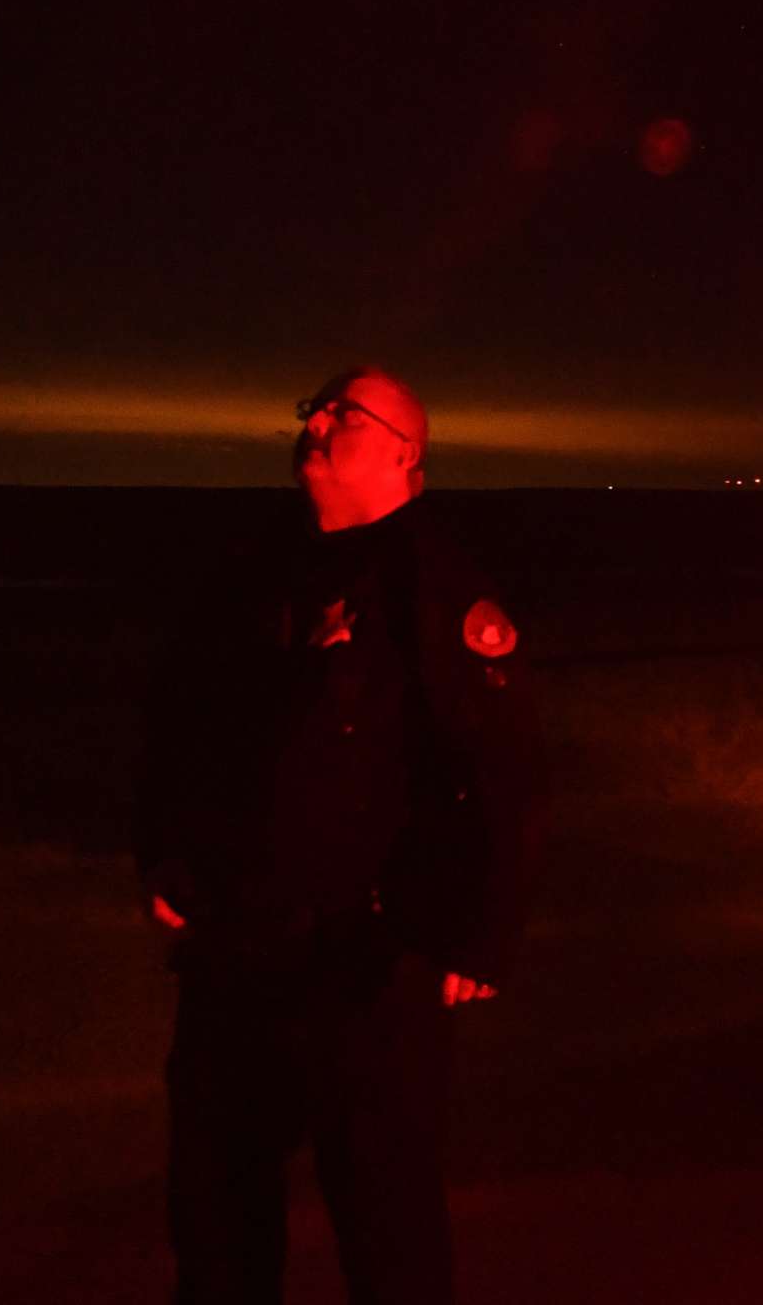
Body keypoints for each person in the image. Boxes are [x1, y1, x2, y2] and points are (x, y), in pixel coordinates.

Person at [135, 366, 544, 1304]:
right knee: (214, 1208)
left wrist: (479, 933)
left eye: (343, 413)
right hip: (234, 951)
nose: (315, 421)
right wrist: (163, 853)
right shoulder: (250, 574)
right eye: (311, 409)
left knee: (384, 1216)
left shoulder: (436, 590)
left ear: (403, 454)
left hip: (369, 961)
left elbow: (501, 772)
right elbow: (180, 725)